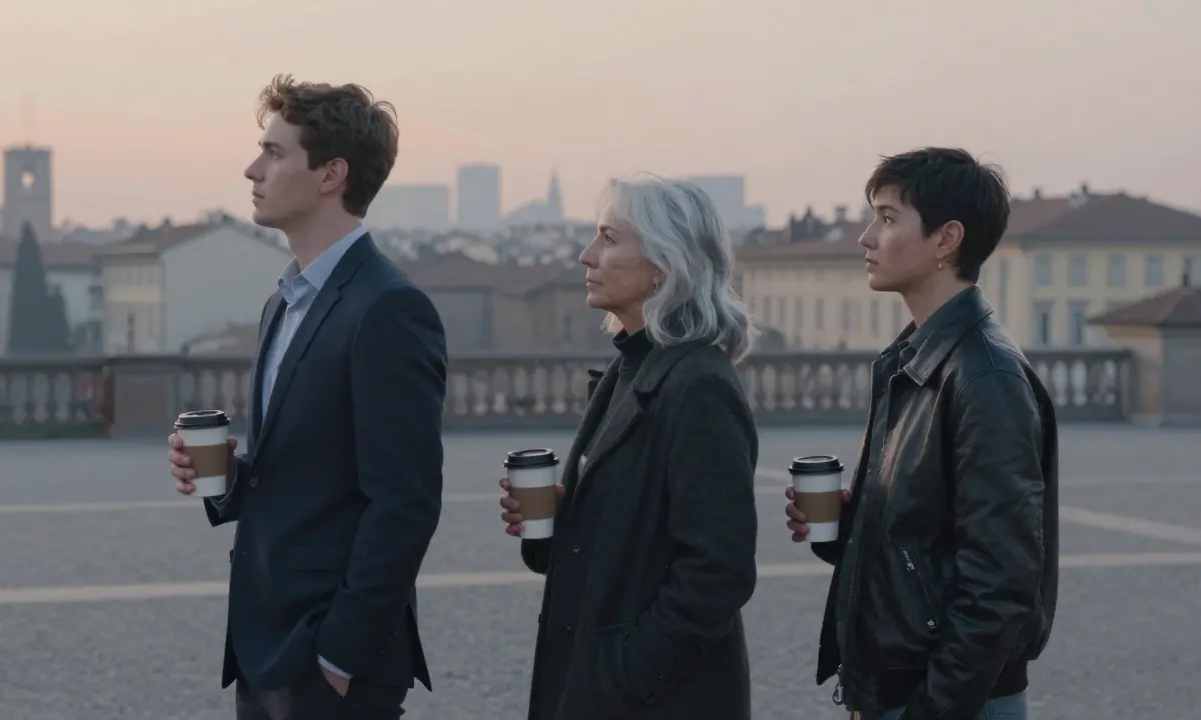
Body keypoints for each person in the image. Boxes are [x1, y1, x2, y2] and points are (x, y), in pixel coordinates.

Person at [167, 74, 447, 720]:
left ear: (331, 175)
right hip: (264, 647)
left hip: (328, 661)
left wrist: (339, 657)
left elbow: (404, 503)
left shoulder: (390, 310)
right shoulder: (282, 304)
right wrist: (227, 479)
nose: (251, 169)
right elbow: (302, 474)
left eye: (274, 152)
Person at [785, 147, 1058, 720]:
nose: (865, 237)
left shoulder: (985, 377)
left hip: (946, 702)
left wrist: (932, 710)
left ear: (946, 239)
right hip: (901, 691)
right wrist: (854, 525)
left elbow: (1001, 581)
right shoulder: (911, 360)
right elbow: (930, 547)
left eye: (886, 219)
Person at [498, 175, 761, 720]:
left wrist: (621, 676)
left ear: (664, 265)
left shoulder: (699, 384)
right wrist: (556, 520)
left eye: (609, 238)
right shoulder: (630, 367)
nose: (586, 254)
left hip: (653, 702)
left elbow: (717, 572)